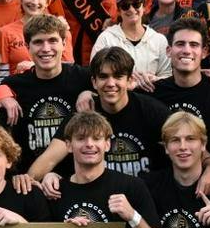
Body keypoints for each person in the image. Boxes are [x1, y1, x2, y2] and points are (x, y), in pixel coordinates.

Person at [28, 45, 169, 182]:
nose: (110, 83)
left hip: (143, 195)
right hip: (98, 197)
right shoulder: (83, 112)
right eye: (103, 77)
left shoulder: (151, 111)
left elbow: (182, 146)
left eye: (118, 76)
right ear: (94, 82)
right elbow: (50, 158)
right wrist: (27, 183)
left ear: (130, 80)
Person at [151, 15, 210, 172]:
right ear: (168, 51)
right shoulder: (151, 93)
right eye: (180, 44)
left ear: (204, 52)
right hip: (165, 189)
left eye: (194, 45)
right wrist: (91, 95)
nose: (186, 50)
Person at [5, 12, 87, 156]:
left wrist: (89, 92)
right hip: (30, 175)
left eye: (52, 40)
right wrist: (3, 95)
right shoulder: (14, 85)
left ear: (64, 43)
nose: (46, 48)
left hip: (75, 174)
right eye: (38, 42)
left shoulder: (83, 77)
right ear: (27, 46)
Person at [92, 0, 168, 80]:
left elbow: (167, 76)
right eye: (125, 6)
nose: (131, 9)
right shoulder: (106, 38)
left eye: (136, 4)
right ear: (119, 11)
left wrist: (153, 80)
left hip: (151, 93)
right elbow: (95, 73)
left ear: (144, 7)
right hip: (116, 93)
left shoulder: (159, 40)